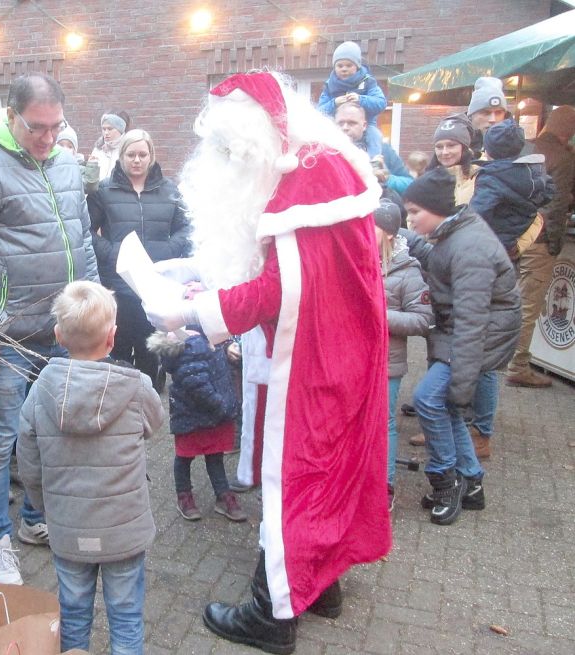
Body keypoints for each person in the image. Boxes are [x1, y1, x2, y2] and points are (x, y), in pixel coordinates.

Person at [143, 72, 390, 653]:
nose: (225, 161)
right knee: (329, 471)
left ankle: (272, 613)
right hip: (339, 347)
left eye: (231, 149)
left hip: (316, 356)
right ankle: (317, 584)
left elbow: (278, 290)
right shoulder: (311, 163)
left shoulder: (303, 181)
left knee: (298, 475)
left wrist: (187, 313)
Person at [0, 72, 100, 585]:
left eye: (56, 127)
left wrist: (93, 305)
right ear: (10, 116)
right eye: (37, 127)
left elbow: (82, 241)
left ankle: (34, 520)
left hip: (62, 330)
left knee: (50, 436)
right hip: (6, 335)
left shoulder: (68, 162)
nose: (48, 138)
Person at [18, 281, 164, 655]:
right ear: (113, 337)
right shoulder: (136, 387)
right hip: (124, 529)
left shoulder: (40, 389)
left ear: (58, 335)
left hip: (69, 527)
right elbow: (155, 423)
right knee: (127, 616)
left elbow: (28, 460)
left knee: (74, 614)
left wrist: (46, 506)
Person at [403, 167, 520, 525]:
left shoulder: (470, 247)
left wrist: (463, 385)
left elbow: (472, 320)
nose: (410, 219)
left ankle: (446, 480)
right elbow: (440, 262)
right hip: (466, 333)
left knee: (429, 398)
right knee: (444, 405)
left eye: (414, 213)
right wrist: (408, 239)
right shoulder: (454, 233)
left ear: (437, 208)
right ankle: (471, 484)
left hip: (480, 336)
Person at [87, 129, 191, 382]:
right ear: (121, 156)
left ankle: (150, 412)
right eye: (131, 154)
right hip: (119, 288)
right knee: (118, 354)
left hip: (155, 289)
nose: (137, 160)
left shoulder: (170, 191)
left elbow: (187, 227)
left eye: (142, 154)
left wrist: (167, 251)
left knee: (151, 356)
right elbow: (86, 229)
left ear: (151, 156)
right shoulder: (104, 190)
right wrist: (112, 253)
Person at [147, 327, 247, 522]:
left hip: (212, 416)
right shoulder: (192, 346)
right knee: (184, 458)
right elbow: (197, 384)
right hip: (193, 415)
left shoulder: (209, 340)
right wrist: (223, 406)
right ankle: (184, 495)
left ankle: (222, 494)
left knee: (215, 456)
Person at [507, 105, 575, 388]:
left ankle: (502, 357)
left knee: (511, 301)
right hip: (539, 239)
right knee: (528, 305)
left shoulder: (525, 149)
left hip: (514, 237)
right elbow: (556, 205)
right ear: (569, 129)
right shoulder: (564, 157)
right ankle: (517, 365)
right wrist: (551, 240)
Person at [374, 200, 431, 511]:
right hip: (353, 361)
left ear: (389, 234)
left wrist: (381, 316)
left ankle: (386, 486)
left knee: (384, 423)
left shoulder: (407, 271)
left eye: (371, 229)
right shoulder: (353, 261)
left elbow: (423, 320)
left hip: (386, 364)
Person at [470, 118, 554, 259]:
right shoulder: (532, 169)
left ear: (489, 150)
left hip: (493, 241)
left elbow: (477, 213)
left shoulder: (491, 177)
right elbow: (549, 191)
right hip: (516, 238)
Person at [317, 41, 386, 157]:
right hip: (338, 127)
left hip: (366, 126)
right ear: (334, 67)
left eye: (349, 65)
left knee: (375, 135)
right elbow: (320, 112)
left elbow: (380, 103)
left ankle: (374, 164)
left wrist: (360, 99)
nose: (344, 69)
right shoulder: (329, 86)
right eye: (340, 66)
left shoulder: (368, 82)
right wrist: (334, 103)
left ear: (357, 66)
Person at [335, 102, 413, 196]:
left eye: (352, 123)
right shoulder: (326, 152)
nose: (345, 127)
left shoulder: (382, 149)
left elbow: (411, 186)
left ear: (364, 126)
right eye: (340, 123)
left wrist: (387, 178)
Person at [427, 114, 480, 205]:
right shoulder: (426, 182)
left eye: (451, 145)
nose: (445, 152)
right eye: (439, 147)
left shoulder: (480, 179)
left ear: (464, 148)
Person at [89, 110, 130, 182]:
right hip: (97, 192)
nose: (106, 133)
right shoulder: (98, 150)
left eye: (110, 129)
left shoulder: (128, 150)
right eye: (104, 129)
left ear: (120, 129)